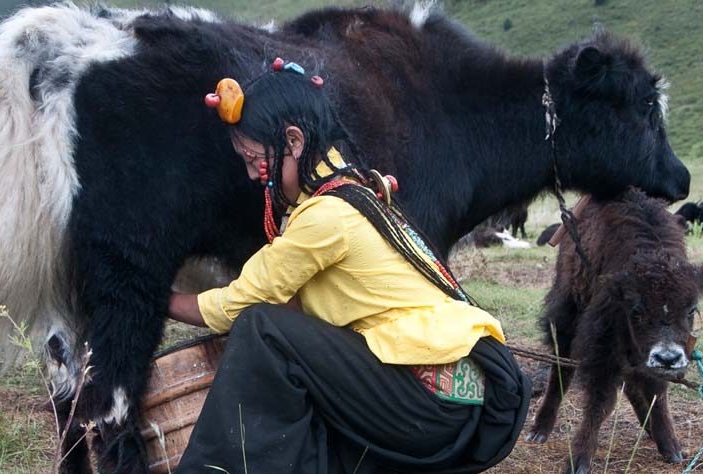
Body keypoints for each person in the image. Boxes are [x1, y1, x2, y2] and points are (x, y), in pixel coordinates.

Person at [168, 58, 530, 474]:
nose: (253, 175)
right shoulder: (356, 192)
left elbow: (238, 304)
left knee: (260, 330)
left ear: (294, 141)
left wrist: (162, 300)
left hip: (430, 401)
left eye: (255, 160)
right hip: (445, 399)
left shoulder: (326, 216)